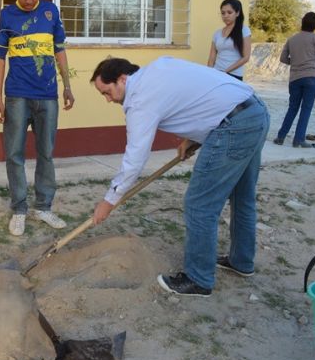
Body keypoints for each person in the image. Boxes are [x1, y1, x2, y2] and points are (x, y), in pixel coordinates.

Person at [90, 56, 270, 297]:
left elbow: (135, 159)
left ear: (122, 79)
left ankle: (198, 279)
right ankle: (241, 261)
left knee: (199, 205)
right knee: (242, 196)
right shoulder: (159, 66)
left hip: (233, 126)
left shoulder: (140, 99)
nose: (108, 99)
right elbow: (197, 95)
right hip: (254, 111)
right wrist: (195, 138)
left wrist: (109, 200)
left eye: (107, 92)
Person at [0, 0, 75, 236]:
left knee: (46, 153)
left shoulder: (51, 12)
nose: (29, 0)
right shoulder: (6, 15)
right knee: (14, 154)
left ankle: (43, 206)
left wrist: (67, 86)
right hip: (16, 95)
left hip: (47, 95)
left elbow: (59, 50)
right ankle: (19, 209)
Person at [273, 12, 315, 149]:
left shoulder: (292, 39)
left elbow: (283, 58)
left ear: (303, 22)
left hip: (295, 78)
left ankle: (280, 137)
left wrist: (295, 62)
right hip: (312, 77)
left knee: (292, 108)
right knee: (306, 109)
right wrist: (314, 59)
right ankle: (299, 140)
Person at [207, 0, 251, 81]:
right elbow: (211, 59)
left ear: (237, 13)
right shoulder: (217, 33)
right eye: (223, 13)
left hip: (234, 75)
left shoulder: (244, 31)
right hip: (217, 74)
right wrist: (209, 73)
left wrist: (225, 71)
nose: (225, 16)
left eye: (229, 12)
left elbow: (246, 57)